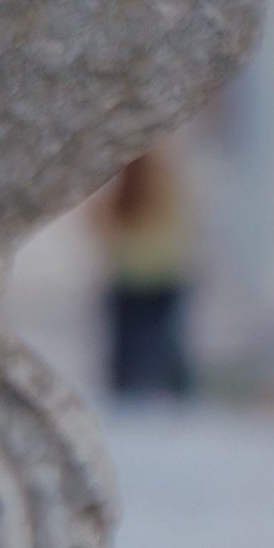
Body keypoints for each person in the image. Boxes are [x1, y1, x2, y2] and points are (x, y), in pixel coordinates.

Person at [93, 147, 194, 395]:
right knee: (165, 342)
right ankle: (173, 390)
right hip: (162, 274)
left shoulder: (126, 189)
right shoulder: (165, 186)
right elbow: (182, 223)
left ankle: (128, 388)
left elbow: (101, 223)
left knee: (128, 346)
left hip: (129, 275)